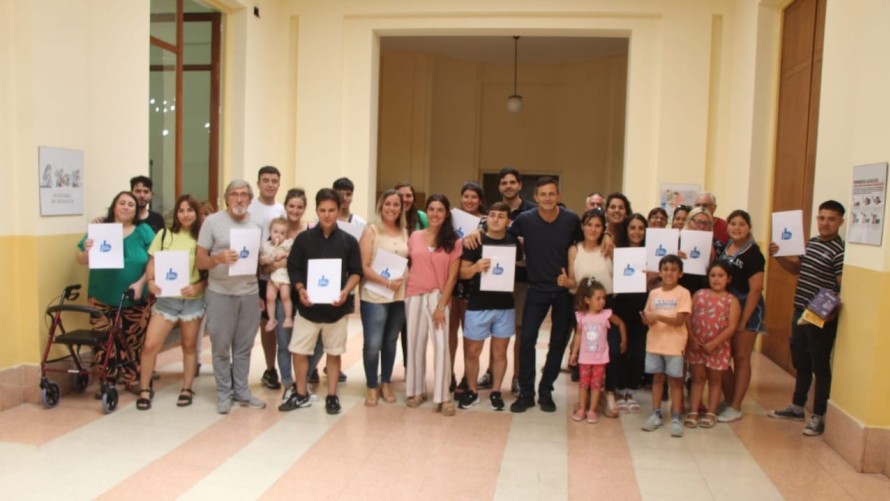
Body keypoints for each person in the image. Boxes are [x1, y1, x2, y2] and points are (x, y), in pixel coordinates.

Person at [279, 189, 363, 415]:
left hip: (336, 310)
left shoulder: (349, 241)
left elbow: (356, 272)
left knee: (334, 353)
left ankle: (332, 396)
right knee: (299, 351)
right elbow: (294, 268)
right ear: (316, 210)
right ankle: (301, 394)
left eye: (331, 210)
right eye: (322, 210)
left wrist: (346, 291)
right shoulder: (304, 239)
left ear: (339, 210)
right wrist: (300, 289)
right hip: (308, 308)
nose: (327, 214)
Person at [501, 177, 582, 413]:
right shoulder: (525, 220)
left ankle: (546, 390)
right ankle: (526, 393)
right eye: (543, 194)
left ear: (558, 196)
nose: (547, 198)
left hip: (563, 290)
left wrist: (606, 237)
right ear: (535, 197)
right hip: (536, 288)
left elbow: (586, 241)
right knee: (527, 339)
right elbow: (503, 234)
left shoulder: (571, 219)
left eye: (552, 194)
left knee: (558, 342)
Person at [768, 201, 845, 437]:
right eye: (822, 218)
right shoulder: (811, 243)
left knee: (820, 365)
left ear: (841, 222)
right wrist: (778, 256)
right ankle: (797, 407)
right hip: (800, 310)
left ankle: (818, 415)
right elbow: (795, 269)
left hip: (820, 316)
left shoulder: (840, 251)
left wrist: (830, 312)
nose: (825, 223)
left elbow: (841, 288)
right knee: (801, 361)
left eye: (831, 219)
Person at [196, 179, 266, 414]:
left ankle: (242, 391)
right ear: (226, 198)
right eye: (234, 194)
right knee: (220, 346)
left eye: (244, 194)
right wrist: (218, 259)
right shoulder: (212, 222)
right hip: (220, 292)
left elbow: (257, 261)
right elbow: (200, 260)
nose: (239, 198)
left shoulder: (256, 226)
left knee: (244, 347)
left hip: (249, 293)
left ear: (250, 199)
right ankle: (224, 393)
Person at [76, 191, 154, 393]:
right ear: (114, 206)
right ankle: (107, 380)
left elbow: (155, 260)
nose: (126, 207)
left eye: (131, 204)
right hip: (101, 296)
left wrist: (142, 283)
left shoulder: (144, 231)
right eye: (122, 203)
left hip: (134, 296)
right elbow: (80, 258)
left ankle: (132, 378)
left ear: (136, 210)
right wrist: (87, 251)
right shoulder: (100, 229)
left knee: (133, 339)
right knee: (103, 340)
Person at [137, 195, 207, 410]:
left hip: (192, 301)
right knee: (150, 345)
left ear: (196, 213)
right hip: (166, 300)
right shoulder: (164, 235)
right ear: (176, 214)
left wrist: (198, 286)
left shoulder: (203, 238)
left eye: (190, 210)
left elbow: (210, 270)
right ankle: (144, 389)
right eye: (181, 210)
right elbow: (152, 261)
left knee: (189, 345)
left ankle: (187, 388)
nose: (185, 215)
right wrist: (150, 281)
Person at [477, 168, 537, 396]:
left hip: (520, 280)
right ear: (499, 186)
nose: (508, 186)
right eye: (504, 183)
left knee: (519, 330)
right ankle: (491, 372)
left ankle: (517, 377)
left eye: (512, 182)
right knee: (496, 330)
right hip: (494, 280)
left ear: (520, 185)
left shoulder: (531, 212)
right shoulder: (492, 213)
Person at [559, 209, 624, 417]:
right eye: (589, 224)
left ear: (603, 228)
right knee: (587, 351)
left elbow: (622, 273)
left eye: (597, 225)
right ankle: (585, 398)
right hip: (583, 306)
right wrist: (565, 282)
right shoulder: (574, 250)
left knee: (611, 350)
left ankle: (609, 391)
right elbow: (573, 281)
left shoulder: (609, 247)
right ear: (582, 226)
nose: (593, 229)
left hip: (607, 303)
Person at [457, 202, 520, 411]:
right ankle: (472, 391)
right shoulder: (475, 241)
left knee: (500, 352)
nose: (495, 219)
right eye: (492, 215)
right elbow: (462, 272)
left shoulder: (513, 242)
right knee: (473, 352)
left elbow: (520, 263)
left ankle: (496, 391)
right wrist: (475, 268)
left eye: (501, 216)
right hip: (478, 305)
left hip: (504, 305)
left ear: (508, 221)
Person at [404, 194, 462, 416]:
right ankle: (416, 390)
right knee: (415, 345)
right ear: (426, 212)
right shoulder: (415, 236)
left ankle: (443, 396)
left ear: (446, 214)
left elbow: (452, 277)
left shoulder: (454, 241)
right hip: (414, 295)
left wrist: (440, 306)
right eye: (431, 209)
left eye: (440, 210)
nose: (435, 214)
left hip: (439, 297)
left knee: (441, 347)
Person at [358, 190, 408, 406]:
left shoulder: (405, 232)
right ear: (381, 205)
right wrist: (386, 282)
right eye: (388, 204)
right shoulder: (371, 231)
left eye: (396, 204)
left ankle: (385, 382)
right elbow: (363, 266)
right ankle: (372, 385)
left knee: (390, 341)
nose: (392, 208)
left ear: (401, 208)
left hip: (399, 295)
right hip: (374, 295)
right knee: (373, 343)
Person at [716, 210, 765, 423]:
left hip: (747, 309)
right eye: (733, 223)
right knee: (722, 356)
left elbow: (756, 289)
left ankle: (736, 405)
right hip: (726, 307)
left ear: (749, 228)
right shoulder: (725, 247)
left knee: (741, 356)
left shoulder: (753, 254)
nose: (737, 228)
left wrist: (744, 319)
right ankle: (729, 400)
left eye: (742, 224)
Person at [267, 188, 311, 404]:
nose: (295, 210)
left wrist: (285, 261)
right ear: (285, 206)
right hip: (281, 293)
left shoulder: (310, 232)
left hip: (305, 293)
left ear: (304, 209)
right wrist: (276, 263)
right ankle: (287, 383)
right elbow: (267, 262)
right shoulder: (277, 230)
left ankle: (303, 380)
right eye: (291, 206)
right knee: (284, 342)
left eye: (299, 207)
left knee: (309, 343)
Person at [640, 255, 692, 437]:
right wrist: (647, 319)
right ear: (660, 272)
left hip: (674, 345)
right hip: (655, 344)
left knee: (675, 381)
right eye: (665, 269)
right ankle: (656, 414)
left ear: (680, 273)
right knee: (657, 379)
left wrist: (658, 317)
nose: (669, 273)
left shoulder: (683, 293)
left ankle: (676, 417)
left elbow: (679, 321)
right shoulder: (654, 293)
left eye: (673, 270)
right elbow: (648, 317)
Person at [684, 261, 740, 429]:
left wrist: (714, 343)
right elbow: (688, 317)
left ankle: (711, 412)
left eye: (721, 276)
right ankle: (694, 411)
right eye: (713, 275)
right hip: (697, 346)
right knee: (698, 378)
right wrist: (692, 338)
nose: (716, 279)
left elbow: (732, 327)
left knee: (716, 380)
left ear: (728, 279)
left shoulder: (732, 300)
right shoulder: (698, 295)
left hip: (718, 347)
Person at [249, 166, 286, 391]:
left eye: (274, 181)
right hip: (259, 276)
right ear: (258, 183)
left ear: (279, 185)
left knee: (284, 320)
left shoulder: (282, 210)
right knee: (266, 324)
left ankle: (287, 369)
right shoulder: (250, 209)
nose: (270, 184)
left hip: (281, 275)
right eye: (266, 180)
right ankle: (270, 368)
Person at [569, 278, 626, 423]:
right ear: (587, 300)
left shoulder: (606, 314)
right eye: (598, 298)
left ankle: (592, 410)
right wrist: (574, 353)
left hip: (600, 359)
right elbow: (578, 335)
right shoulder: (582, 316)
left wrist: (623, 340)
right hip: (585, 358)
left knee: (596, 384)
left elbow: (620, 323)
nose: (602, 302)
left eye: (603, 298)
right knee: (583, 383)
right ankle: (582, 408)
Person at [611, 214, 650, 412]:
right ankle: (619, 390)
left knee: (638, 352)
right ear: (626, 230)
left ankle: (631, 391)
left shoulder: (650, 254)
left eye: (641, 228)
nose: (636, 232)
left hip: (643, 307)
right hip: (621, 306)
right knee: (622, 350)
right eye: (632, 227)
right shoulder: (617, 251)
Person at [451, 181, 486, 396]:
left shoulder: (486, 222)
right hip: (449, 277)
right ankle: (448, 374)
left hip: (471, 280)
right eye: (466, 196)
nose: (469, 200)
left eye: (474, 197)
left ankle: (467, 376)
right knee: (449, 330)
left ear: (480, 200)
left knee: (469, 332)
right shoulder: (451, 218)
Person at [260, 218, 294, 332]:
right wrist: (263, 260)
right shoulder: (266, 246)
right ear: (270, 232)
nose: (278, 235)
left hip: (284, 277)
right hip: (272, 277)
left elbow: (294, 255)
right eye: (275, 232)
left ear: (286, 235)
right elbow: (261, 261)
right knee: (269, 297)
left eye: (282, 233)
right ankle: (271, 319)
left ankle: (288, 318)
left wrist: (284, 254)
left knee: (285, 296)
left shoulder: (287, 244)